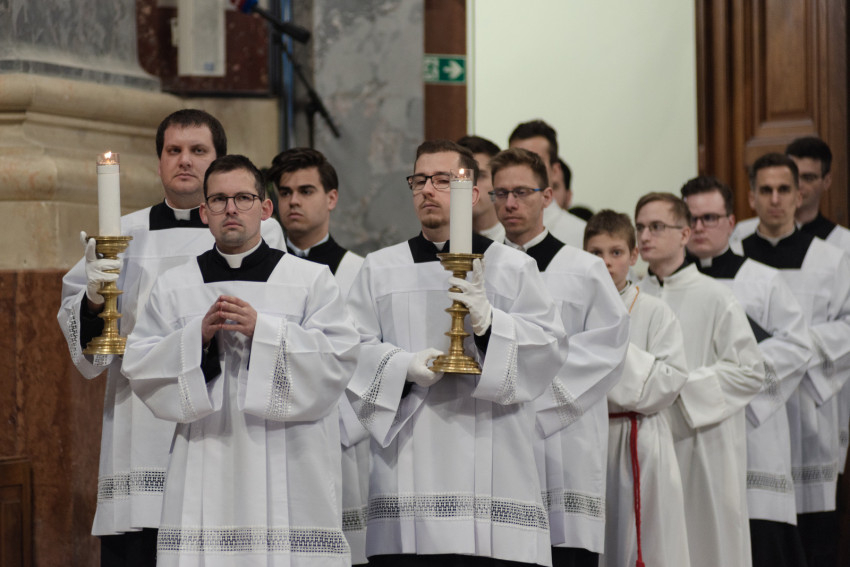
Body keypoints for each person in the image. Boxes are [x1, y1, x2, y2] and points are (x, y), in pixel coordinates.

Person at [56, 109, 285, 566]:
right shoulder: (121, 232)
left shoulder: (259, 230)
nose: (184, 160)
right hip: (138, 418)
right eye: (173, 150)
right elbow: (85, 339)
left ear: (219, 159)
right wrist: (96, 300)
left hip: (225, 416)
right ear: (159, 161)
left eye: (198, 150)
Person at [122, 154, 359, 566]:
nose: (230, 209)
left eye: (243, 198)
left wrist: (263, 331)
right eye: (218, 200)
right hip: (206, 452)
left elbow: (338, 360)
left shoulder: (309, 279)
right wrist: (197, 338)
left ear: (265, 209)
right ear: (204, 213)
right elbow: (141, 365)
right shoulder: (175, 285)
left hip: (293, 459)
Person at [345, 140, 567, 566]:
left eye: (443, 180)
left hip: (495, 467)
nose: (428, 189)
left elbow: (548, 350)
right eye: (419, 180)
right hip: (407, 466)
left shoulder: (512, 266)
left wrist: (490, 326)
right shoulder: (380, 268)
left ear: (473, 194)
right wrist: (403, 367)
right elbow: (351, 352)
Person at [489, 148, 629, 567]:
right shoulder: (481, 268)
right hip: (500, 435)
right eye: (501, 193)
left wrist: (530, 393)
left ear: (547, 196)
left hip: (565, 437)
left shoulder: (584, 269)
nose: (510, 203)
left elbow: (606, 347)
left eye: (521, 192)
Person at [681, 175, 813, 566]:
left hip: (752, 428)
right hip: (685, 429)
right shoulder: (661, 282)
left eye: (710, 218)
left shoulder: (762, 280)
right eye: (691, 218)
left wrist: (726, 381)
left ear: (730, 221)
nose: (700, 227)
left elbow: (797, 346)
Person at [634, 192, 765, 567]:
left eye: (657, 226)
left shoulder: (716, 296)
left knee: (706, 544)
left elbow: (749, 371)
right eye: (640, 227)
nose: (645, 235)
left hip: (702, 441)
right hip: (646, 443)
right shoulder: (631, 296)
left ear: (684, 234)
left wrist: (675, 386)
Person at [734, 153, 850, 567]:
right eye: (765, 190)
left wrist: (793, 348)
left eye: (784, 189)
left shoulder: (831, 258)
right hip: (751, 410)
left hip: (807, 405)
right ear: (751, 196)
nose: (775, 199)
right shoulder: (734, 254)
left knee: (814, 537)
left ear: (799, 195)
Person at [267, 147, 369, 565]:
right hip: (272, 430)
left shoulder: (361, 272)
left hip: (342, 435)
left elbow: (368, 359)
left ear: (331, 198)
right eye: (285, 192)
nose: (294, 201)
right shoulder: (265, 272)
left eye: (306, 191)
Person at [582, 209, 690, 567]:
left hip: (639, 436)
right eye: (596, 253)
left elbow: (670, 378)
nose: (606, 262)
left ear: (633, 256)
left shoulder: (655, 311)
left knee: (645, 542)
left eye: (615, 252)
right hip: (586, 438)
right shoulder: (573, 309)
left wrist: (607, 351)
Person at [508, 120, 586, 246]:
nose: (522, 170)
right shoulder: (496, 234)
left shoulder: (581, 235)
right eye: (515, 161)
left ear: (555, 171)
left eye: (534, 162)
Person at [457, 135, 505, 242]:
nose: (470, 185)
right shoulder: (443, 241)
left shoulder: (516, 242)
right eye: (463, 176)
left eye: (480, 176)